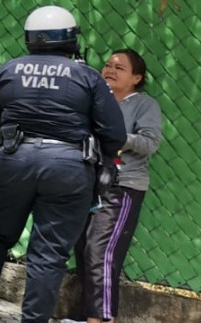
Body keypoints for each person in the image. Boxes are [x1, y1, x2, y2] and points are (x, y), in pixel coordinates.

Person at [0, 6, 127, 323]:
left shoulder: (9, 70)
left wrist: (2, 153)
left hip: (16, 159)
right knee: (49, 250)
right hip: (70, 166)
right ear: (70, 39)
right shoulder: (87, 77)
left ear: (30, 38)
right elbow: (114, 132)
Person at [63, 49, 163, 323]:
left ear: (136, 77)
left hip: (122, 186)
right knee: (83, 250)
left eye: (119, 68)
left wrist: (118, 137)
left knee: (101, 251)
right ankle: (87, 316)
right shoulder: (97, 100)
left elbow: (150, 143)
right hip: (88, 183)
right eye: (107, 65)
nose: (109, 70)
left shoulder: (143, 104)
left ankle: (103, 319)